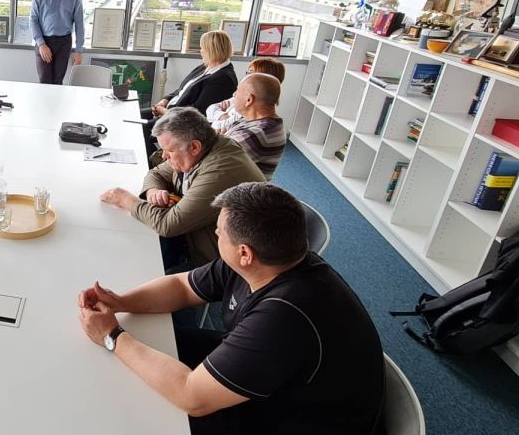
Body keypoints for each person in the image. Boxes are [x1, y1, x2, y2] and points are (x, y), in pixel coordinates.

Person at [77, 182, 384, 434]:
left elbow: (191, 395)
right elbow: (182, 287)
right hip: (279, 378)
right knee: (153, 342)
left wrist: (112, 336)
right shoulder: (267, 260)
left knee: (138, 412)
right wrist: (121, 301)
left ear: (245, 253)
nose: (216, 234)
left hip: (292, 419)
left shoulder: (283, 317)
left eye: (220, 231)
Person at [101, 107, 265, 270]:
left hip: (218, 266)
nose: (164, 156)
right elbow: (156, 173)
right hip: (189, 240)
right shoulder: (200, 149)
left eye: (169, 150)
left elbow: (168, 224)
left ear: (194, 147)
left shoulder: (220, 171)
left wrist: (126, 200)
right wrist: (154, 192)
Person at [30, 0, 85, 84]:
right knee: (44, 80)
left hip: (63, 43)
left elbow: (79, 25)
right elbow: (33, 20)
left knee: (57, 81)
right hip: (44, 41)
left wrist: (79, 51)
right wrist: (41, 44)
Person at [222, 73, 286, 180]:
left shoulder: (257, 134)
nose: (234, 94)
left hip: (234, 188)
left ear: (249, 100)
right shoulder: (253, 120)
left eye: (238, 91)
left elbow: (211, 158)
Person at [205, 57, 284, 132]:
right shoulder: (242, 97)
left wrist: (218, 118)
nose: (246, 76)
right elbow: (210, 109)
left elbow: (216, 126)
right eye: (248, 72)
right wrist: (224, 116)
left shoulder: (250, 110)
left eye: (251, 73)